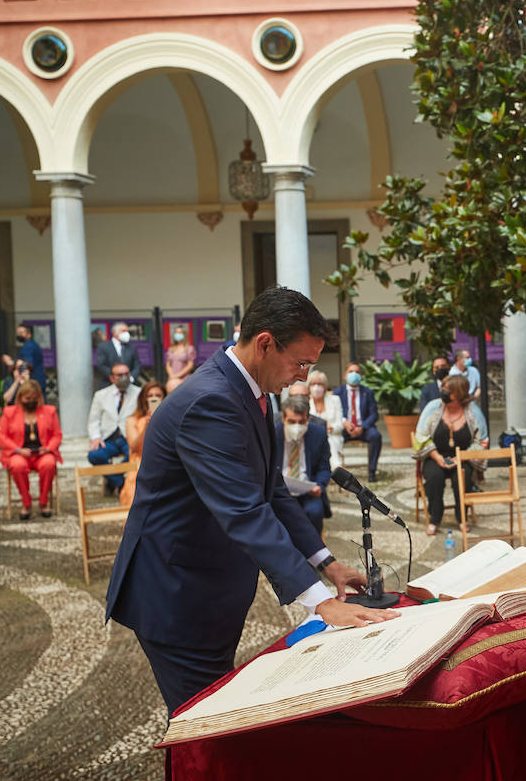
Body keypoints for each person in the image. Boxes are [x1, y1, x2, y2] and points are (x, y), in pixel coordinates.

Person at [106, 286, 396, 715]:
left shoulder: (254, 393)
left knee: (214, 720)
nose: (303, 375)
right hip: (176, 593)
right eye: (300, 362)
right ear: (264, 344)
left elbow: (272, 490)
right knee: (202, 729)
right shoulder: (211, 401)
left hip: (211, 587)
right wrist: (320, 601)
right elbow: (244, 510)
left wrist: (327, 564)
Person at [414, 375, 489, 537]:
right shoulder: (432, 408)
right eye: (443, 389)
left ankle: (462, 517)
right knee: (435, 477)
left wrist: (462, 457)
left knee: (463, 477)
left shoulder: (473, 412)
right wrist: (437, 457)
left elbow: (482, 441)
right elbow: (421, 436)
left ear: (458, 393)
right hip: (435, 456)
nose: (443, 392)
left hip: (462, 457)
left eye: (447, 391)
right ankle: (435, 519)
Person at [0, 380, 62, 519]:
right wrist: (18, 450)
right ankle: (26, 502)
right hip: (19, 453)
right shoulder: (9, 412)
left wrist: (48, 448)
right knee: (17, 465)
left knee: (49, 464)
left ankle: (44, 502)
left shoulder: (50, 411)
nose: (31, 402)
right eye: (27, 399)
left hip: (42, 453)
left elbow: (57, 435)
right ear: (20, 398)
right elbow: (1, 436)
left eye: (34, 398)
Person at [276, 394, 333, 533]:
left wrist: (319, 485)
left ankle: (313, 552)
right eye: (291, 421)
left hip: (309, 491)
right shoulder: (272, 433)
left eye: (301, 422)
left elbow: (324, 468)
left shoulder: (319, 434)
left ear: (308, 419)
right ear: (283, 418)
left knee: (314, 512)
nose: (297, 426)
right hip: (279, 491)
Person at [87, 362, 140, 496]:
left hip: (129, 439)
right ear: (112, 378)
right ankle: (120, 483)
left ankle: (113, 480)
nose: (124, 377)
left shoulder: (139, 393)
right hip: (108, 439)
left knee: (136, 455)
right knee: (94, 455)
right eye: (119, 375)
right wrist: (95, 437)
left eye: (126, 374)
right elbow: (94, 420)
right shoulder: (101, 395)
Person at [119, 382, 166, 508]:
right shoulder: (132, 421)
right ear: (143, 398)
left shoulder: (169, 418)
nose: (153, 398)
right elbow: (134, 447)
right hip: (139, 466)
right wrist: (146, 427)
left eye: (158, 395)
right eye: (149, 395)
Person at [334, 362, 382, 481]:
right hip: (344, 428)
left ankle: (372, 471)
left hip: (364, 428)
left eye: (357, 372)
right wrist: (344, 422)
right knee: (330, 437)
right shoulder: (338, 392)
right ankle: (335, 471)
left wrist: (362, 427)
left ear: (361, 376)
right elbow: (334, 412)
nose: (354, 374)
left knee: (376, 436)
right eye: (351, 372)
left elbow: (374, 414)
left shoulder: (368, 392)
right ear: (345, 375)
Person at [305, 369, 345, 469]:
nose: (316, 387)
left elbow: (340, 424)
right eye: (313, 384)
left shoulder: (335, 400)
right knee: (322, 435)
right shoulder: (305, 402)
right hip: (311, 437)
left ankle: (332, 468)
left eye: (319, 384)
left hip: (333, 436)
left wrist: (332, 428)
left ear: (325, 386)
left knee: (327, 437)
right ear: (309, 387)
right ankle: (336, 468)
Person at [14, 324, 46, 394]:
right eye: (18, 332)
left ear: (29, 335)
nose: (19, 334)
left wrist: (13, 363)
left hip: (32, 383)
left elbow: (27, 364)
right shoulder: (32, 344)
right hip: (38, 381)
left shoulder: (28, 346)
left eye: (21, 332)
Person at [164, 325, 196, 391]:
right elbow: (168, 365)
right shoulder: (171, 349)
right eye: (176, 332)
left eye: (180, 333)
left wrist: (178, 375)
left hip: (184, 379)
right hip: (172, 379)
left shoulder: (189, 349)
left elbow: (190, 365)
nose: (177, 334)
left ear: (184, 335)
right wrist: (172, 376)